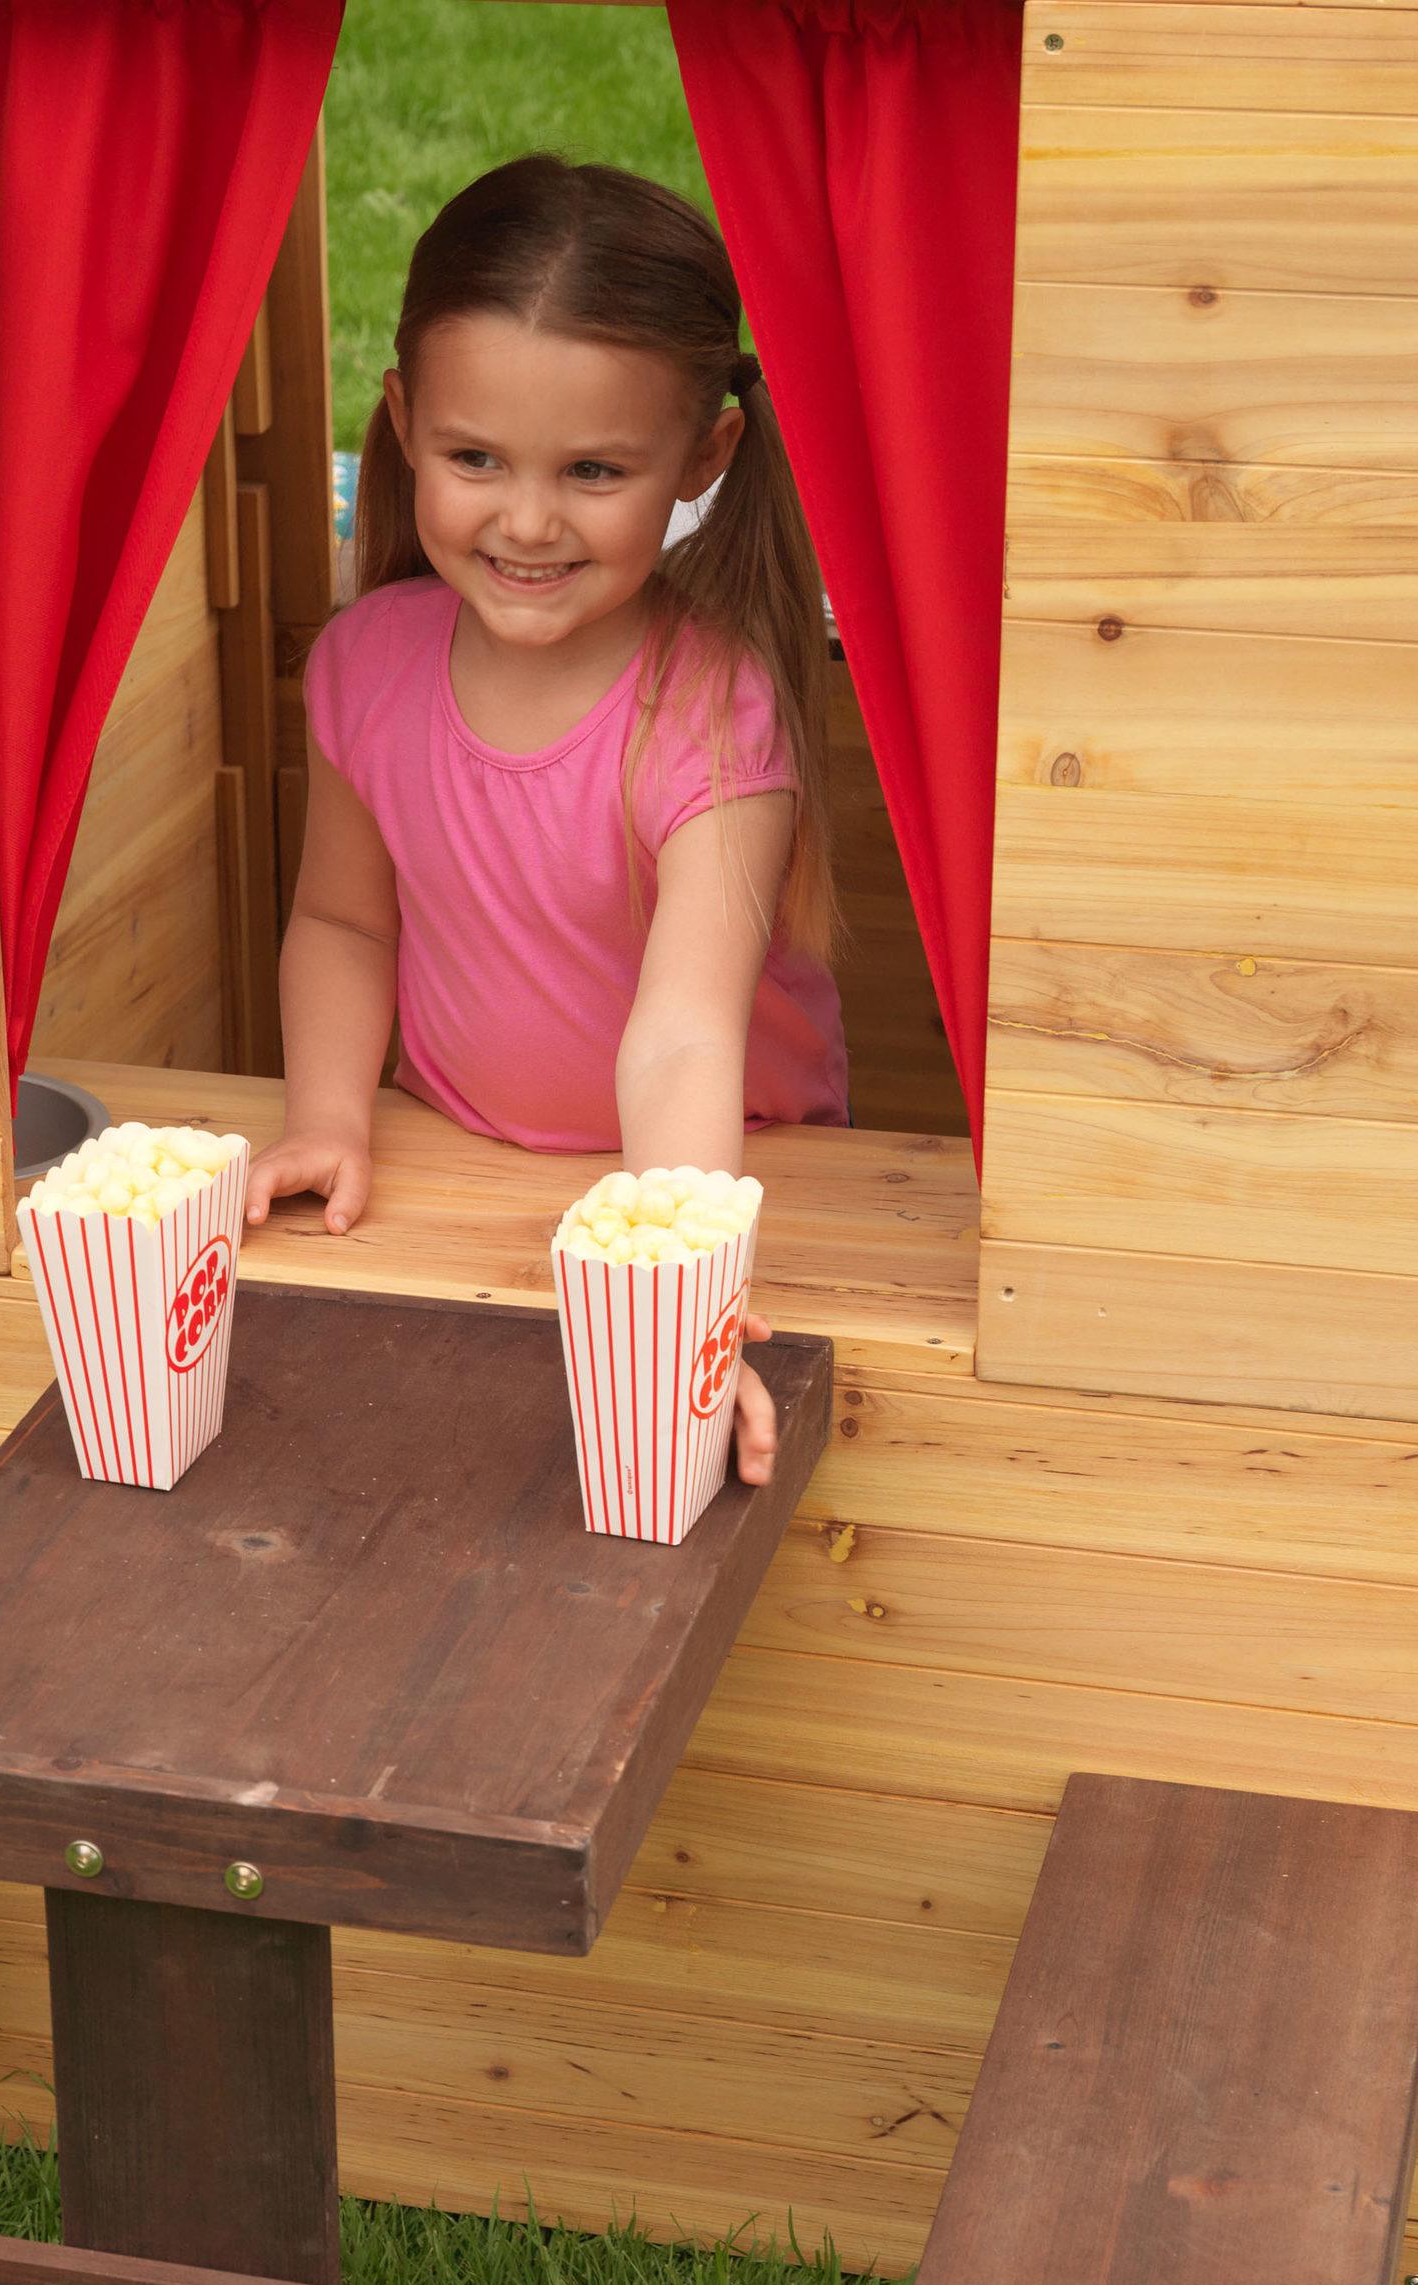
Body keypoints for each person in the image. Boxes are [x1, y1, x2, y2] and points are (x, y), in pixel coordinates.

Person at [242, 154, 846, 1484]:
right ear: (401, 425)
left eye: (589, 470)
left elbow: (688, 1035)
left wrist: (686, 1286)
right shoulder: (365, 666)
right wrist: (331, 1117)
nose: (525, 520)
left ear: (706, 454)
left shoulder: (710, 709)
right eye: (475, 458)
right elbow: (342, 922)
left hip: (721, 1172)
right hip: (462, 1159)